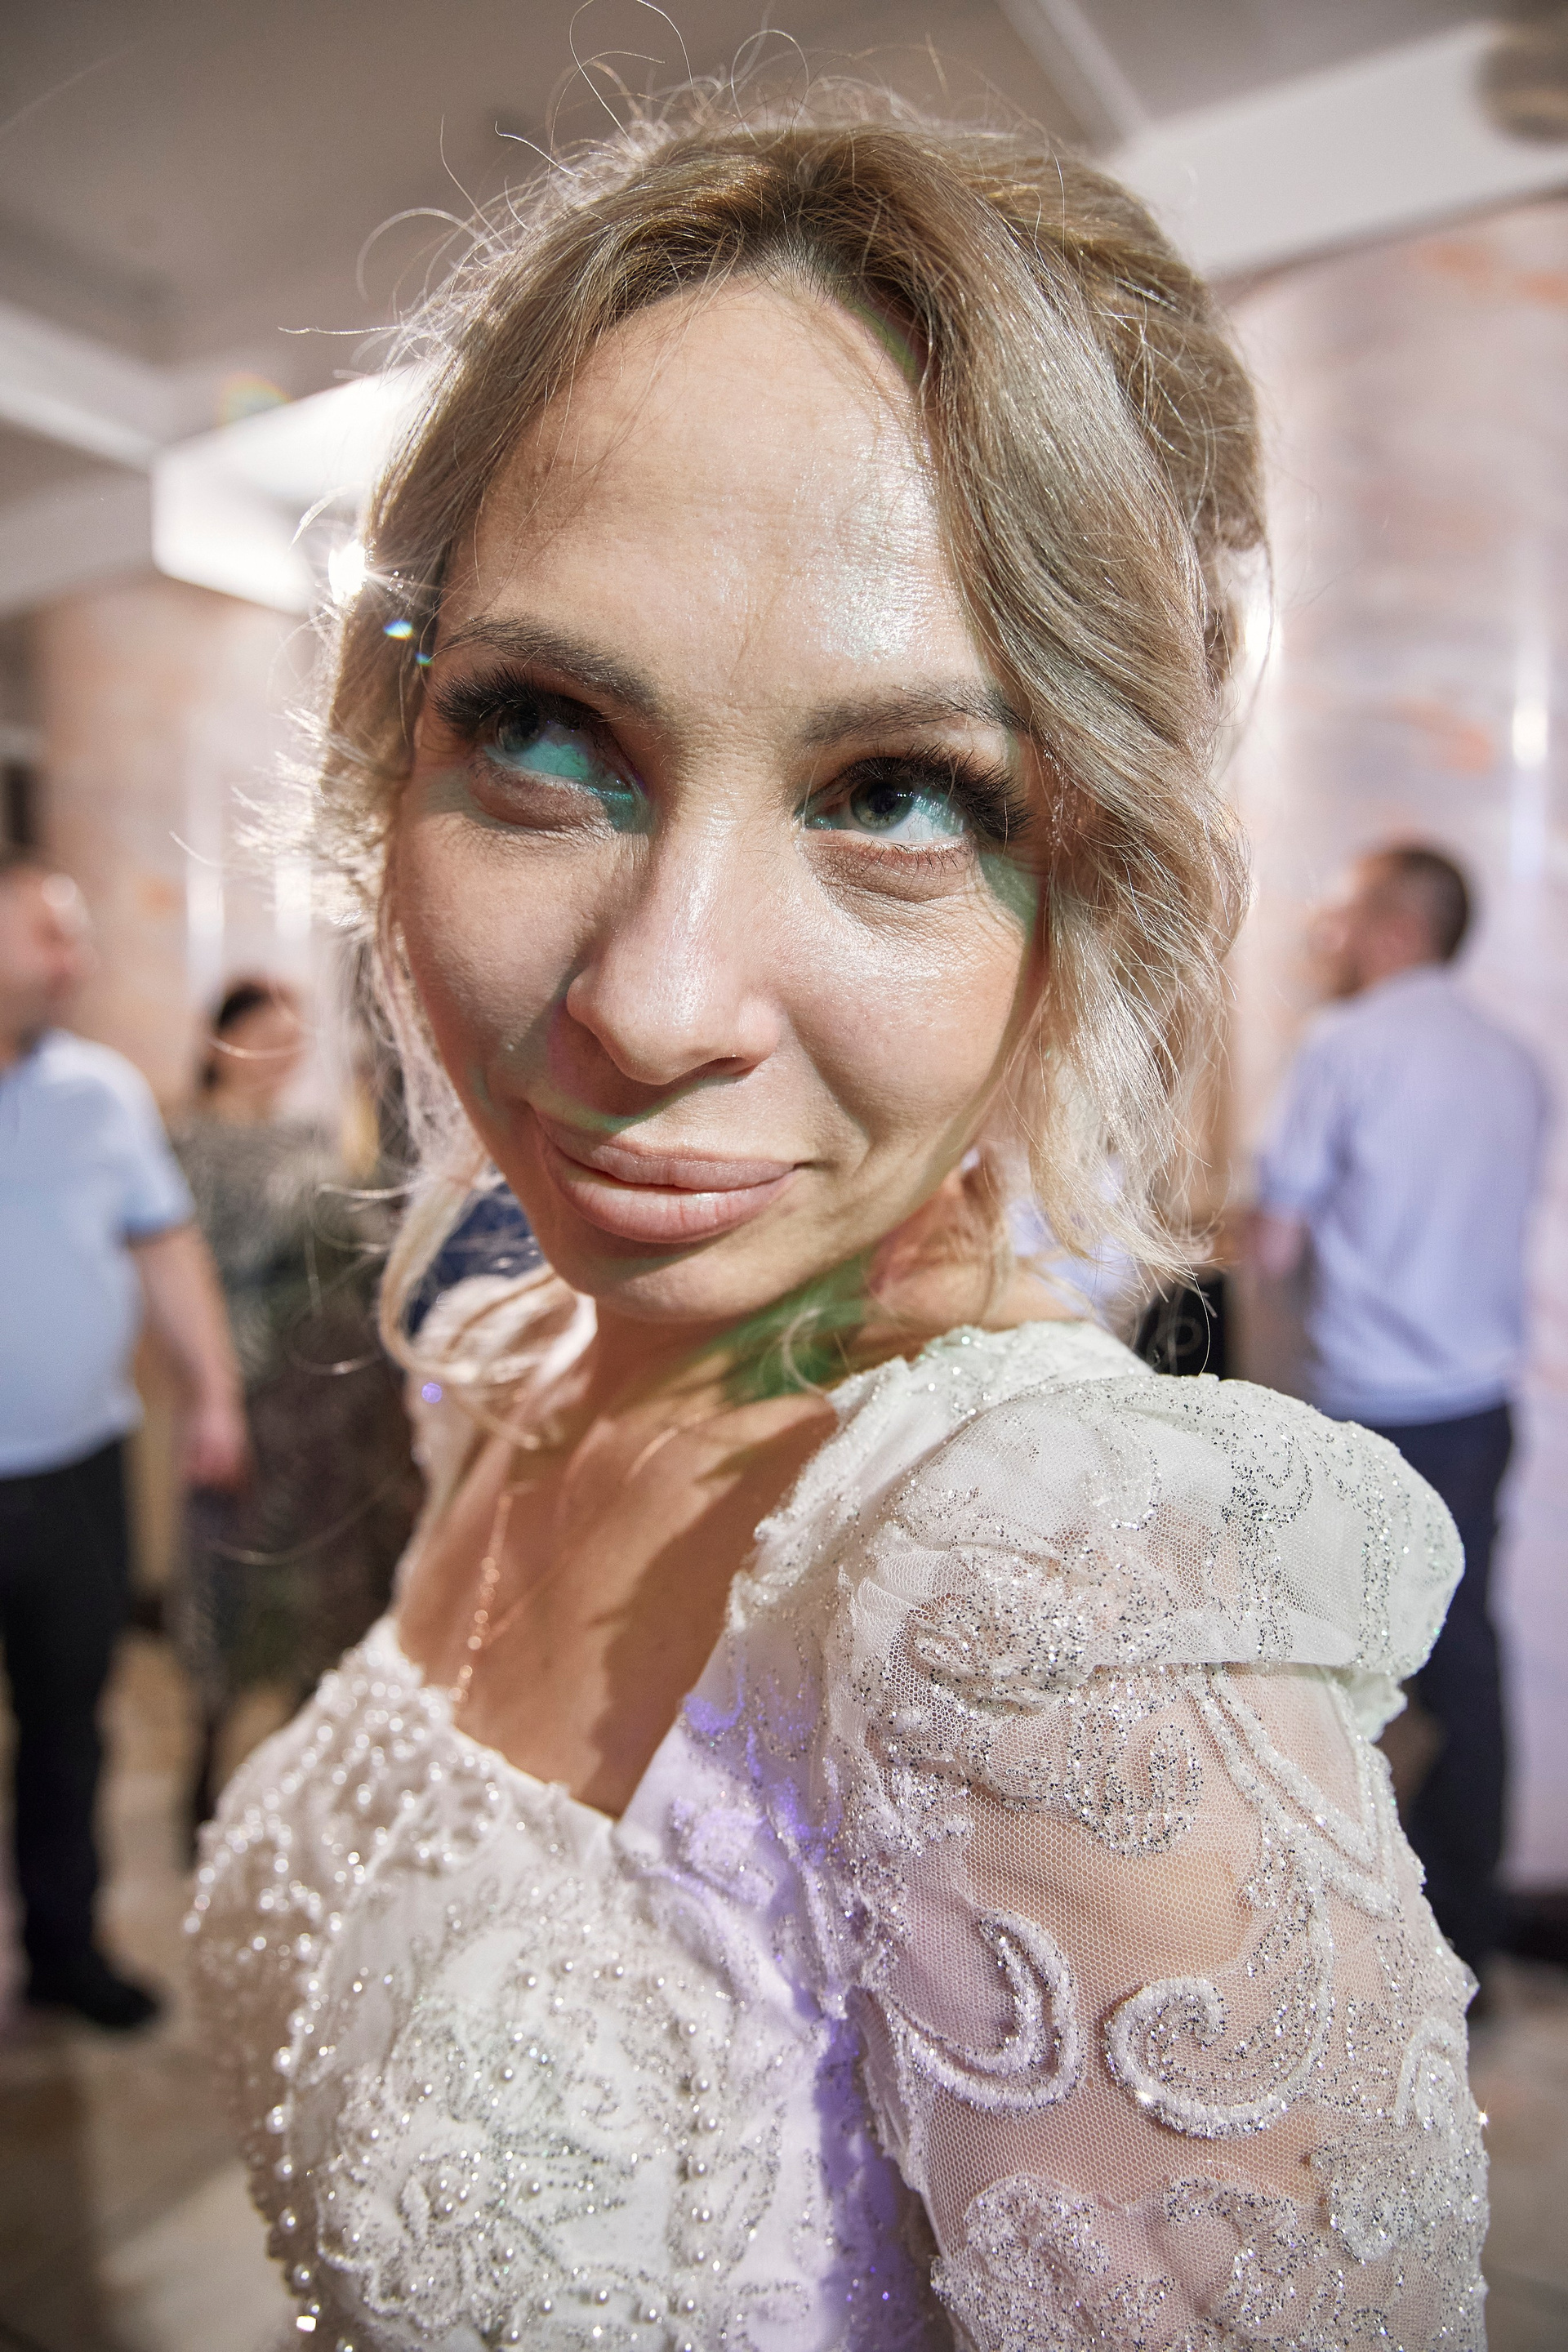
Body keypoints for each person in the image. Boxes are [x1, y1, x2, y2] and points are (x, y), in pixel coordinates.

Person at [188, 94, 1485, 2348]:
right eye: (547, 732)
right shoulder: (525, 1366)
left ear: (1090, 886)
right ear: (395, 745)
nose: (659, 1001)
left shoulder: (1052, 1625)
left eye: (898, 792)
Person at [1253, 844, 1548, 1985]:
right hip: (1480, 1410)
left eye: (1339, 913)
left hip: (1369, 1415)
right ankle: (1463, 1954)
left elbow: (1273, 1246)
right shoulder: (1514, 1058)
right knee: (1465, 1672)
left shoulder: (1344, 1045)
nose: (1324, 936)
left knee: (1322, 1682)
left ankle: (1338, 1970)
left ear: (1391, 927)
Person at [0, 847, 247, 2028]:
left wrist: (215, 1395)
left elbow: (167, 1249)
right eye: (52, 931)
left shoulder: (99, 1094)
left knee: (69, 1722)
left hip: (76, 1469)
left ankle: (63, 1947)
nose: (80, 958)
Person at [168, 978, 421, 1837]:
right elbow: (195, 1272)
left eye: (294, 1037)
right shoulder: (190, 1143)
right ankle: (205, 1777)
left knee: (326, 1590)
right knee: (232, 1580)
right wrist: (211, 1394)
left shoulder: (313, 1135)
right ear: (222, 1040)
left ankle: (300, 1786)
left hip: (330, 1407)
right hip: (247, 1393)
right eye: (266, 1035)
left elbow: (371, 1235)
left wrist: (373, 1108)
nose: (284, 1053)